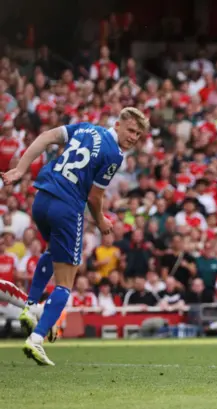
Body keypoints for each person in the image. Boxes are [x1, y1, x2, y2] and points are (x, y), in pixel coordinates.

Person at [1, 107, 148, 365]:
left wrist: (20, 169)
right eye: (131, 130)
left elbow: (46, 136)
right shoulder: (114, 154)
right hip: (67, 208)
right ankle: (36, 339)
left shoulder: (85, 127)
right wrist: (101, 220)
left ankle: (30, 306)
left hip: (42, 199)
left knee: (52, 252)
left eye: (138, 134)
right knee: (66, 281)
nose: (134, 137)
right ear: (118, 123)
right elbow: (95, 196)